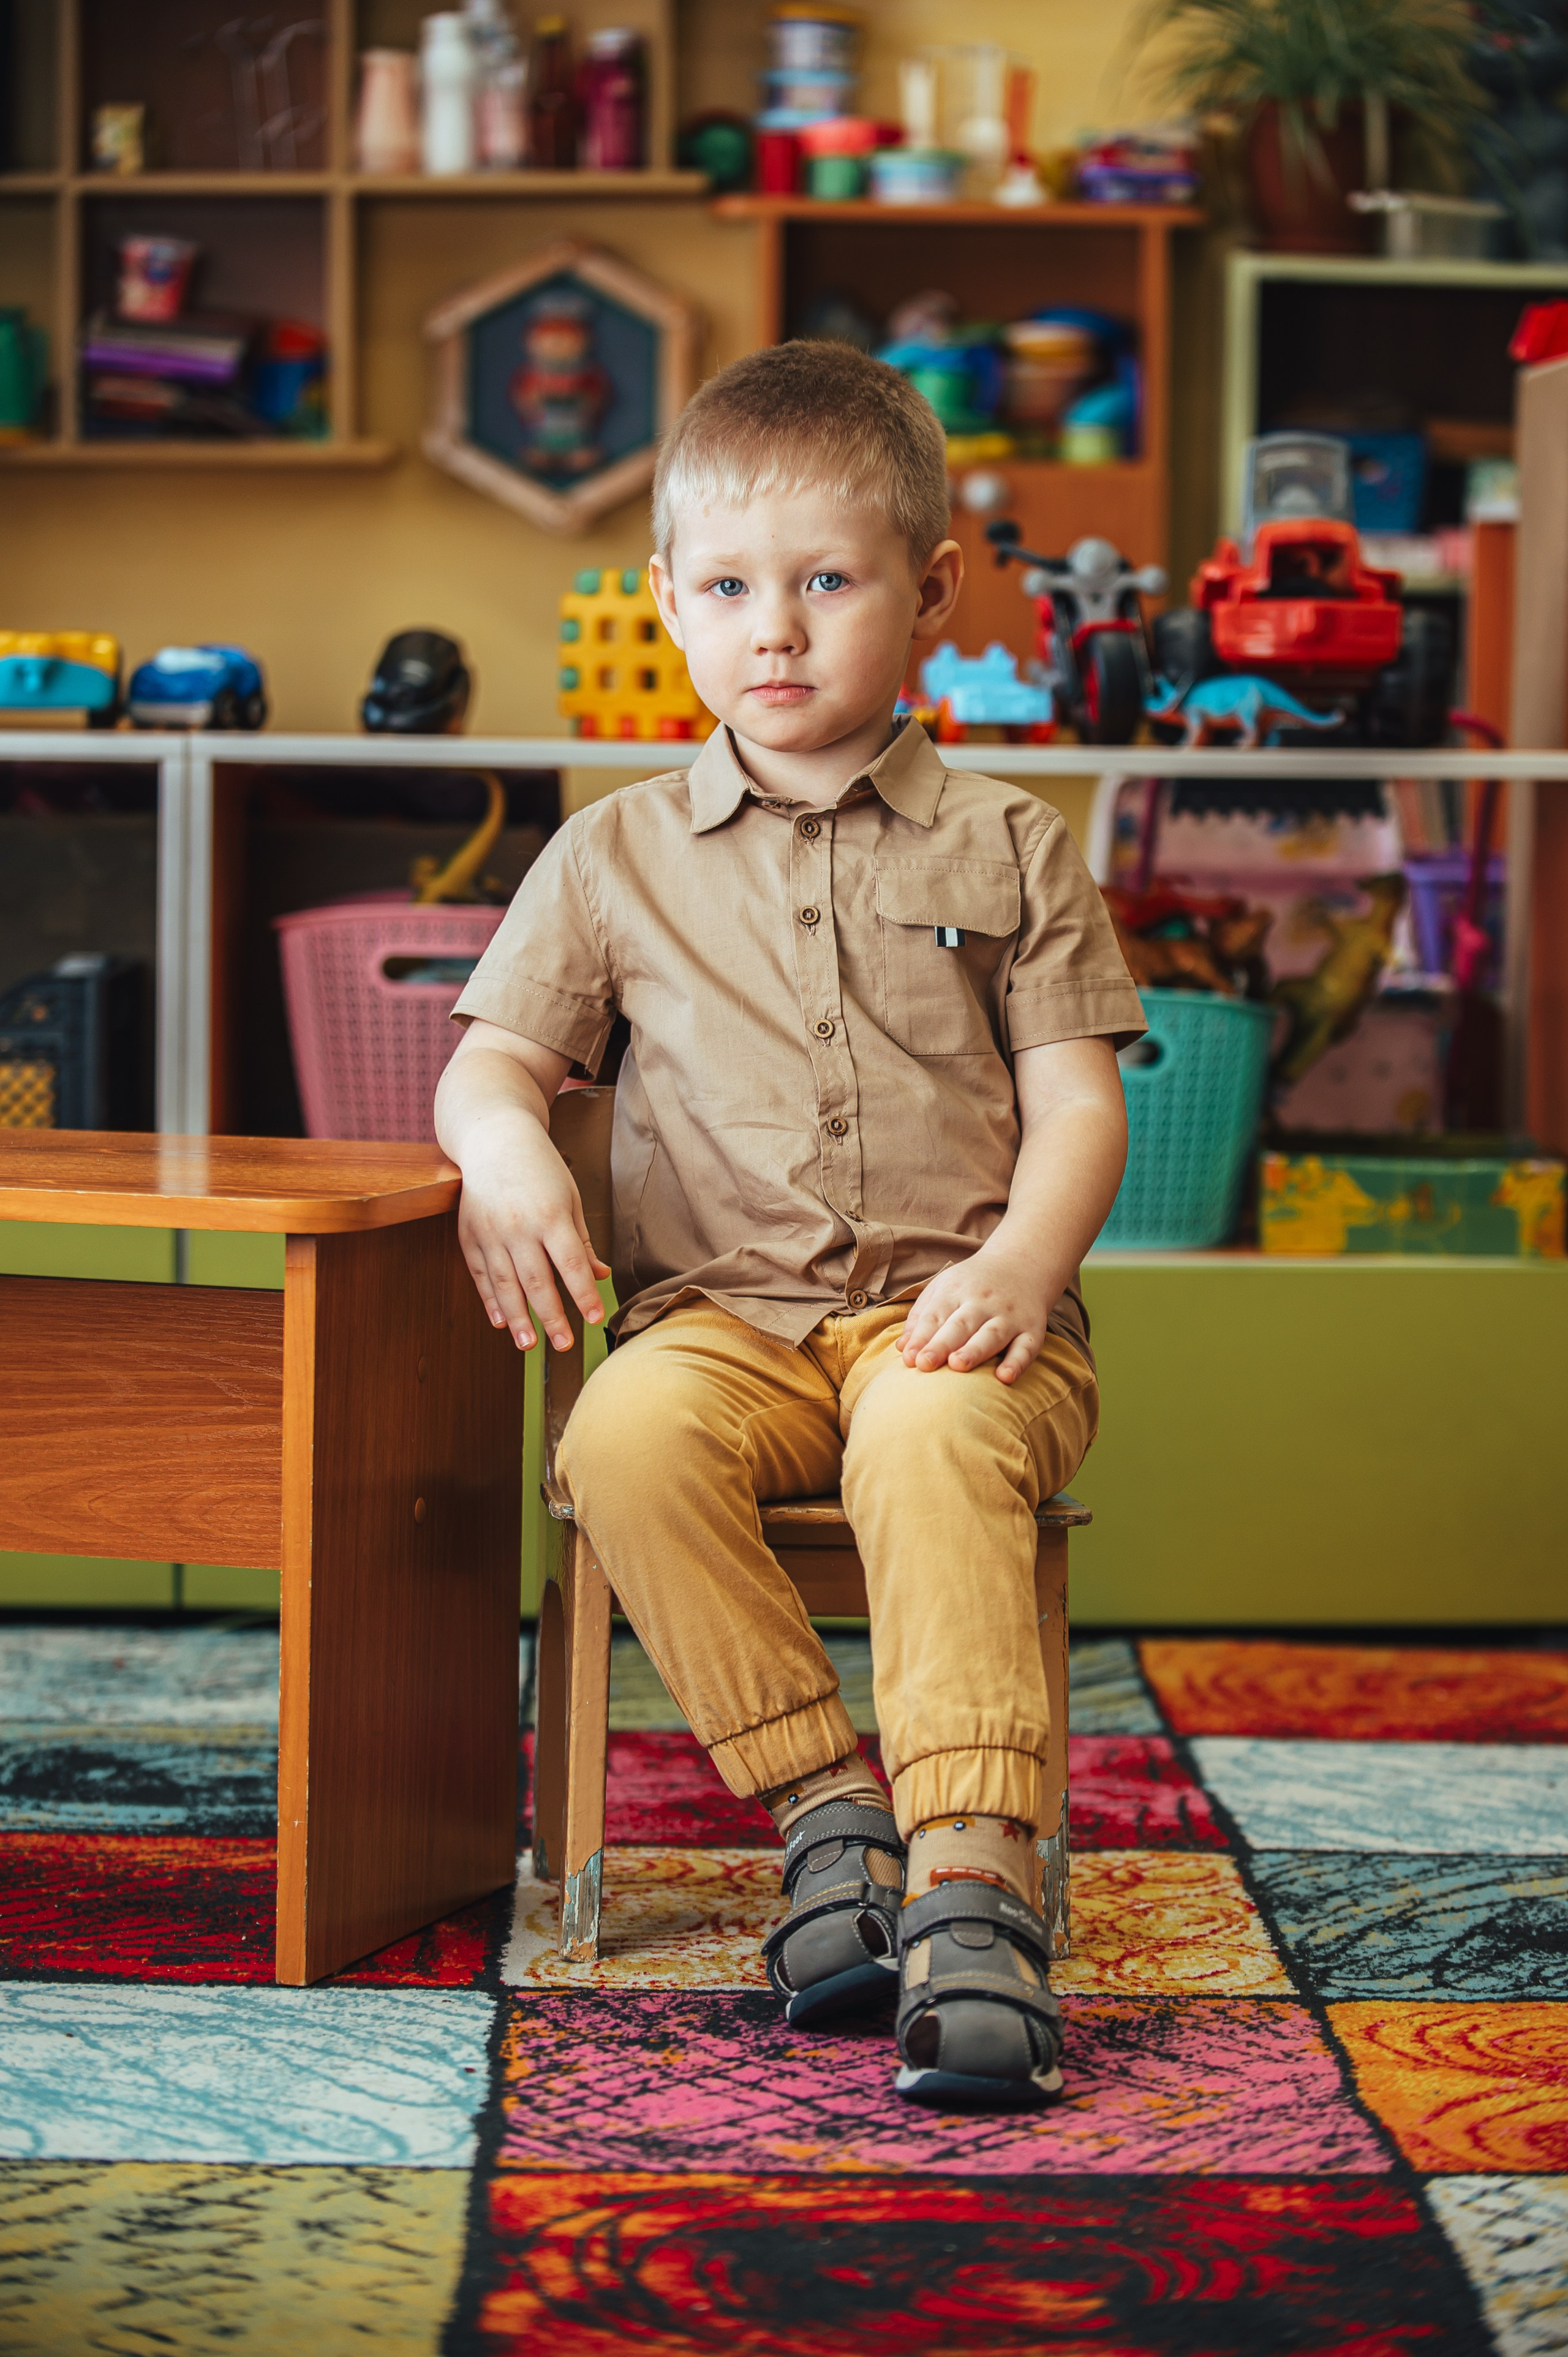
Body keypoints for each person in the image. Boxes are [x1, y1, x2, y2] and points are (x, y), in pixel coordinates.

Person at [434, 341, 1145, 2111]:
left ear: (930, 593)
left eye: (830, 583)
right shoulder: (610, 857)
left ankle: (974, 1881)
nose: (781, 630)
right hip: (719, 1334)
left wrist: (1015, 1270)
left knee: (920, 1425)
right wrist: (504, 1151)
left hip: (960, 1332)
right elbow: (492, 1069)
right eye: (736, 588)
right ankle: (832, 1817)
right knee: (617, 1433)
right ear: (668, 598)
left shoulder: (1014, 846)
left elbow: (1079, 1104)